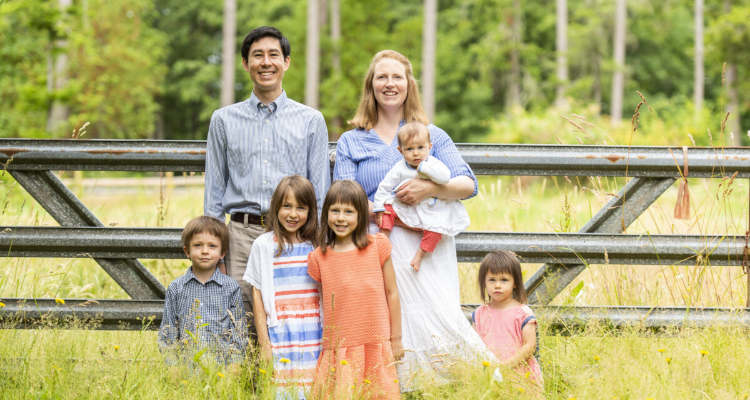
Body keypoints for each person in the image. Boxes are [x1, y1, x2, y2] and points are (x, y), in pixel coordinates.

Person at [333, 49, 495, 390]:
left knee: (436, 312)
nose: (389, 84)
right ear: (371, 86)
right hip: (378, 240)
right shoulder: (352, 140)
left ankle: (456, 382)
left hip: (426, 242)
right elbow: (344, 196)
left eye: (397, 77)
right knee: (388, 318)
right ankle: (396, 386)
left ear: (409, 85)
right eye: (382, 77)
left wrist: (428, 187)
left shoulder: (431, 134)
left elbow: (468, 184)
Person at [204, 26, 331, 341]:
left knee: (293, 317)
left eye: (273, 55)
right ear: (245, 64)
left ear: (286, 62)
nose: (266, 62)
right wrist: (215, 249)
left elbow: (321, 191)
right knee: (242, 323)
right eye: (257, 55)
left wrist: (319, 244)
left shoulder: (311, 120)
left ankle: (290, 387)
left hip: (295, 235)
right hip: (242, 235)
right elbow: (214, 191)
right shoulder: (223, 120)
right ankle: (248, 388)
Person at [307, 180, 403, 399]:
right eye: (335, 211)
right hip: (341, 345)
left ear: (361, 215)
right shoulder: (319, 257)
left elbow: (392, 293)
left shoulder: (377, 245)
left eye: (349, 211)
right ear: (326, 213)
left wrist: (396, 339)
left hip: (375, 340)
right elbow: (326, 303)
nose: (341, 218)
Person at [243, 175, 322, 398]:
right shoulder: (264, 245)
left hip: (312, 330)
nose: (293, 214)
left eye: (301, 207)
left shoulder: (317, 244)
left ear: (311, 211)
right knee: (282, 390)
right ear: (276, 207)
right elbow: (257, 295)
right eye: (287, 206)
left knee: (312, 387)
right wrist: (264, 342)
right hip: (280, 329)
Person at [373, 122, 470, 271]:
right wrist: (379, 207)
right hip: (406, 206)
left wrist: (425, 168)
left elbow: (445, 178)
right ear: (400, 151)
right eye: (409, 149)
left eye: (420, 148)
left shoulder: (434, 163)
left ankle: (420, 254)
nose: (416, 153)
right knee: (387, 210)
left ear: (429, 147)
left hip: (430, 207)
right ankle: (383, 240)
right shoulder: (399, 168)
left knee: (437, 229)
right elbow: (385, 186)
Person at [158, 216, 247, 368]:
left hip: (221, 371)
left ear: (222, 253)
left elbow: (239, 331)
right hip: (186, 371)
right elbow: (168, 331)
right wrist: (173, 367)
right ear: (187, 251)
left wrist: (234, 366)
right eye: (198, 245)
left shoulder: (231, 287)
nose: (205, 251)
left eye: (212, 246)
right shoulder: (176, 288)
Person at [473, 250, 543, 389]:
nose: (497, 285)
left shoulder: (522, 313)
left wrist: (506, 366)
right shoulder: (480, 313)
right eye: (492, 280)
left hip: (519, 374)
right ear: (484, 283)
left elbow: (530, 346)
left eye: (504, 280)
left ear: (515, 283)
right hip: (489, 373)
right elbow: (475, 345)